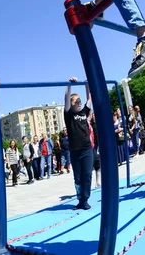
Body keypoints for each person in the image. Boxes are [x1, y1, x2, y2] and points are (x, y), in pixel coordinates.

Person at [64, 77, 94, 210]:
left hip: (87, 149)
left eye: (80, 101)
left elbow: (89, 98)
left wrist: (86, 84)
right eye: (76, 101)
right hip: (75, 150)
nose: (80, 103)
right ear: (71, 104)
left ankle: (85, 199)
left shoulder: (84, 112)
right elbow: (66, 97)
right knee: (78, 177)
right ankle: (80, 199)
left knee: (87, 174)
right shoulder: (69, 115)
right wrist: (69, 85)